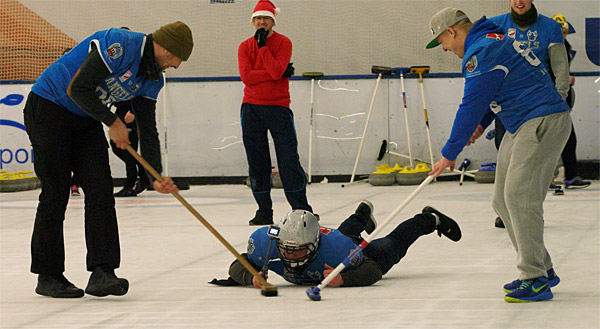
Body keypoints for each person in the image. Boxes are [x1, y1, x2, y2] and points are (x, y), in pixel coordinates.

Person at [23, 22, 193, 298]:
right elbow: (78, 88)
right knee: (55, 192)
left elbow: (147, 128)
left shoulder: (152, 78)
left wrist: (155, 177)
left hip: (85, 118)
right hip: (49, 108)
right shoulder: (121, 45)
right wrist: (113, 121)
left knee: (101, 189)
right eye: (176, 58)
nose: (176, 66)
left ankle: (103, 272)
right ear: (164, 47)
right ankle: (48, 274)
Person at [426, 8, 570, 302]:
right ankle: (542, 267)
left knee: (519, 196)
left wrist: (448, 154)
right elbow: (499, 90)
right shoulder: (492, 38)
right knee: (502, 200)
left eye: (442, 41)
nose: (444, 48)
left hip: (540, 120)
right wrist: (481, 124)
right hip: (520, 121)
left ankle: (535, 278)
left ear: (452, 31)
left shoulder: (482, 52)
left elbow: (470, 104)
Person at [216, 201, 460, 288]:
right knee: (345, 232)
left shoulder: (337, 250)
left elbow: (372, 269)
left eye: (299, 249)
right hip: (337, 241)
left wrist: (344, 279)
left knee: (392, 245)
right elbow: (237, 264)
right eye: (287, 249)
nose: (291, 256)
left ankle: (429, 219)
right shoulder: (265, 244)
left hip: (351, 253)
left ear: (314, 245)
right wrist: (250, 277)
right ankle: (362, 214)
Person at [487, 0, 573, 228]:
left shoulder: (549, 28)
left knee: (533, 165)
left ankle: (529, 210)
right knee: (507, 158)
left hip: (538, 109)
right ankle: (507, 209)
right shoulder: (496, 26)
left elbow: (560, 68)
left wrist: (559, 97)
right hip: (508, 110)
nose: (519, 1)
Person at [238, 0, 313, 226]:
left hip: (279, 108)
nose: (262, 22)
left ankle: (301, 209)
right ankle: (263, 210)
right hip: (251, 108)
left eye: (266, 18)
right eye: (258, 19)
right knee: (257, 162)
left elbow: (275, 69)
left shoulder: (283, 42)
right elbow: (247, 77)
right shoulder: (243, 46)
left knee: (289, 161)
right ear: (253, 21)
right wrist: (275, 73)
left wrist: (263, 51)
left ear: (273, 21)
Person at [551, 14, 591, 190]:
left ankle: (569, 175)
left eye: (565, 32)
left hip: (561, 103)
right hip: (553, 103)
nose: (563, 35)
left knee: (567, 139)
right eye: (561, 32)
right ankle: (562, 176)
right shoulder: (551, 48)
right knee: (554, 141)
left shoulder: (563, 46)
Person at [110, 98, 151, 197]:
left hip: (129, 111)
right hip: (120, 110)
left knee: (128, 151)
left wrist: (132, 111)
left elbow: (140, 94)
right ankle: (144, 173)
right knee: (116, 146)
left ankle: (130, 185)